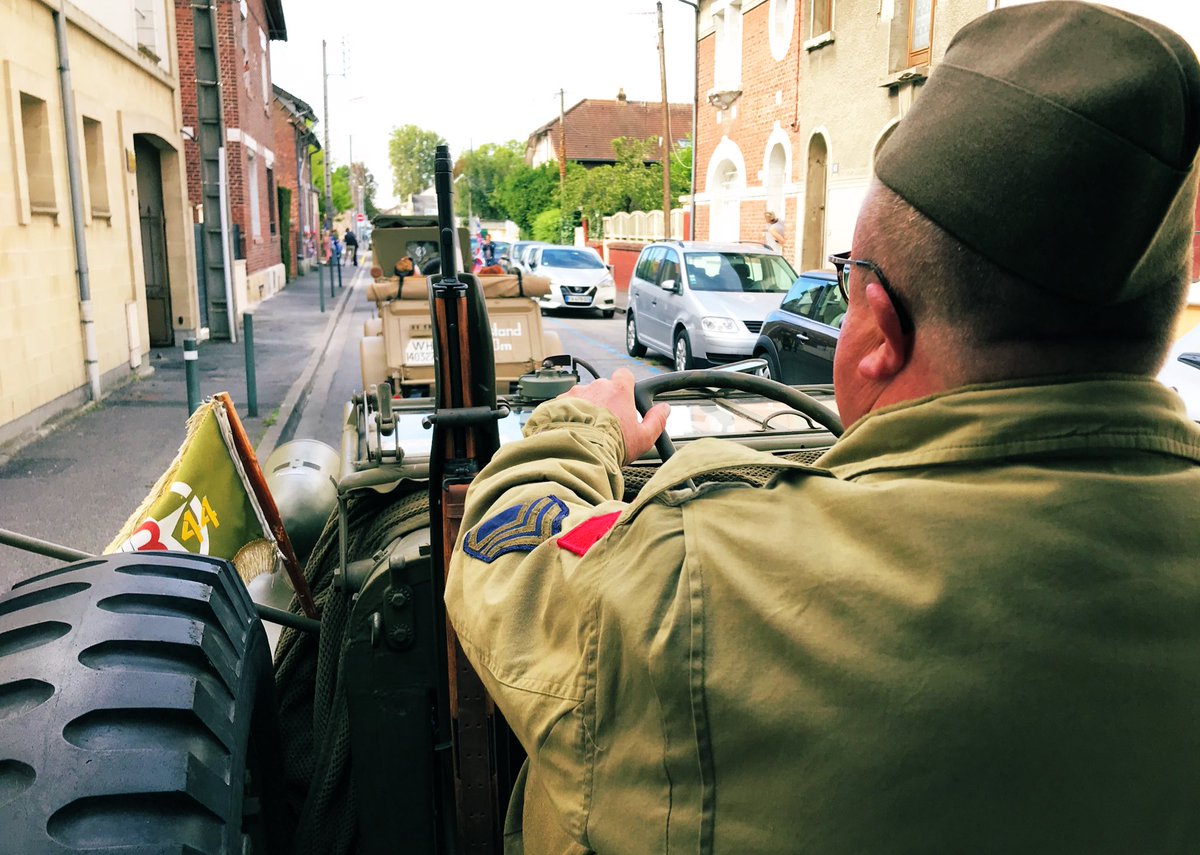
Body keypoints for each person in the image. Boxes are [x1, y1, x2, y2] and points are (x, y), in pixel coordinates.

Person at [447, 4, 1200, 852]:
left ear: (879, 328)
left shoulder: (701, 585)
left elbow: (506, 561)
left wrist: (582, 429)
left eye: (848, 284)